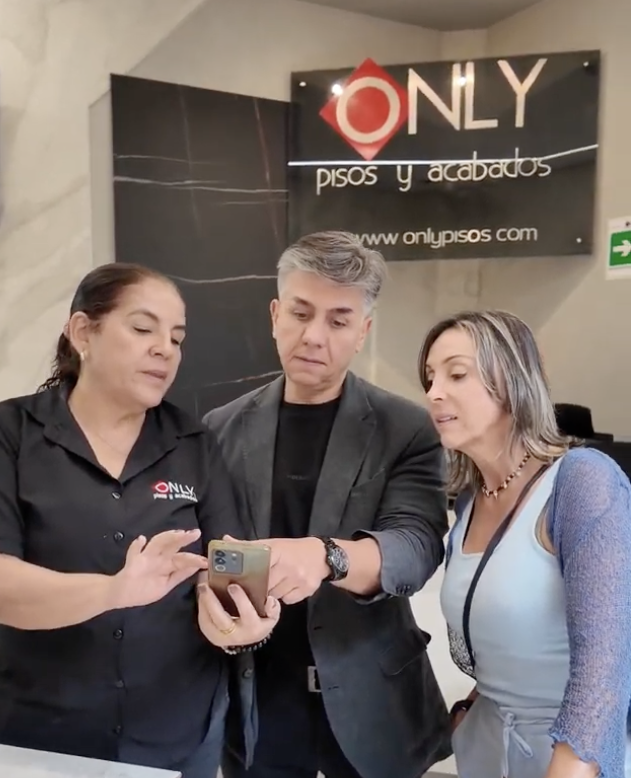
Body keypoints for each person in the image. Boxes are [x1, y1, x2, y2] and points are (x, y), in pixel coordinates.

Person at [0, 263, 278, 778]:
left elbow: (227, 565)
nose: (165, 349)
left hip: (177, 732)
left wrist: (243, 621)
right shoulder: (6, 433)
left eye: (177, 338)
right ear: (83, 332)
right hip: (39, 736)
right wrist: (112, 591)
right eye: (143, 329)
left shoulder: (194, 444)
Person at [203, 231, 452, 778]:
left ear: (363, 331)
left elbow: (414, 546)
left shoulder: (405, 428)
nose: (313, 336)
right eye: (300, 313)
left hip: (374, 703)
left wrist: (325, 556)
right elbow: (213, 552)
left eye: (338, 321)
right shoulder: (221, 429)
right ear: (275, 316)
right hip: (259, 703)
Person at [419, 309, 631, 778]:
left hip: (569, 759)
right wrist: (469, 711)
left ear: (513, 380)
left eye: (456, 374)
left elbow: (605, 677)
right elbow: (498, 643)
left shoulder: (582, 483)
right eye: (430, 378)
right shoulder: (471, 501)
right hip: (485, 754)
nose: (434, 393)